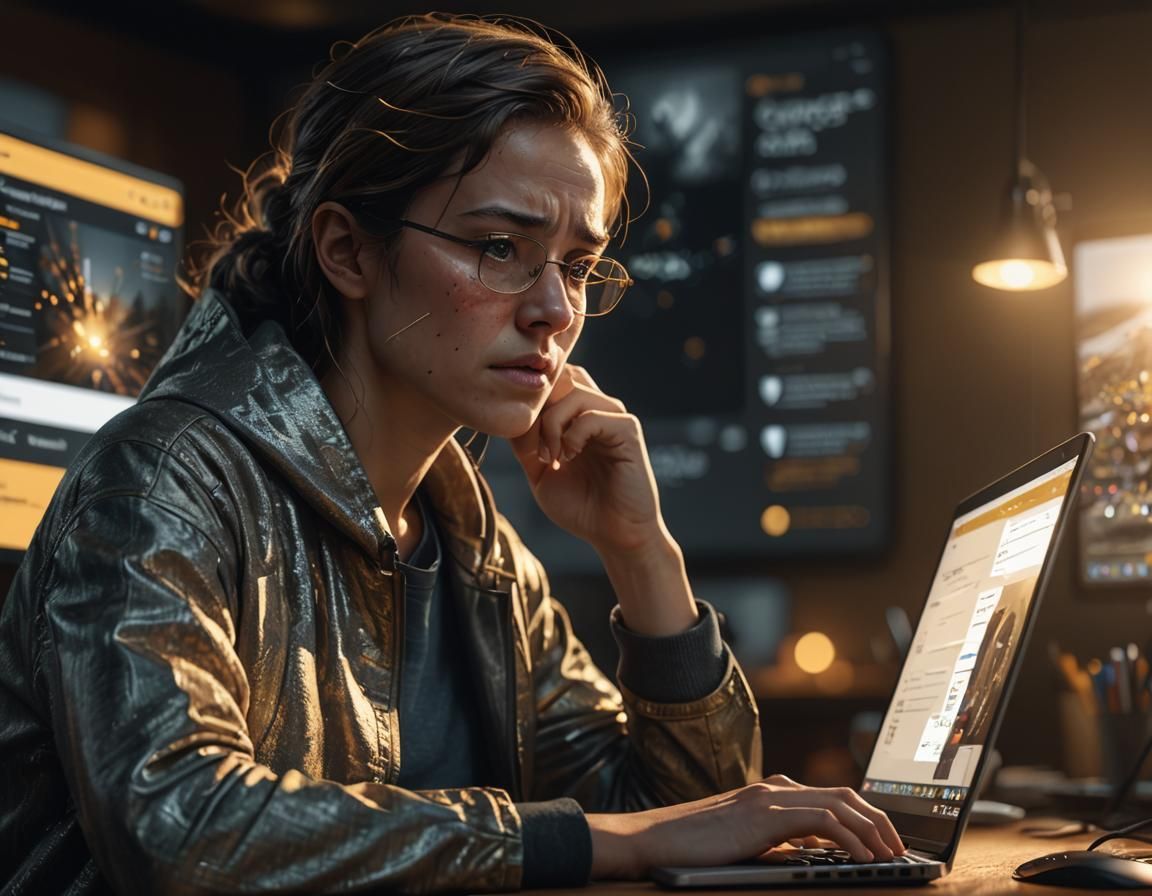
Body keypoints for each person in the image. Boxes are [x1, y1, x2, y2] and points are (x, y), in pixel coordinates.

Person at [0, 13, 904, 894]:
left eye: (580, 266)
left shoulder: (477, 545)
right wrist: (593, 840)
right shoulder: (162, 483)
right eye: (501, 247)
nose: (553, 307)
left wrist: (642, 554)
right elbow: (181, 831)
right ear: (349, 250)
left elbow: (689, 828)